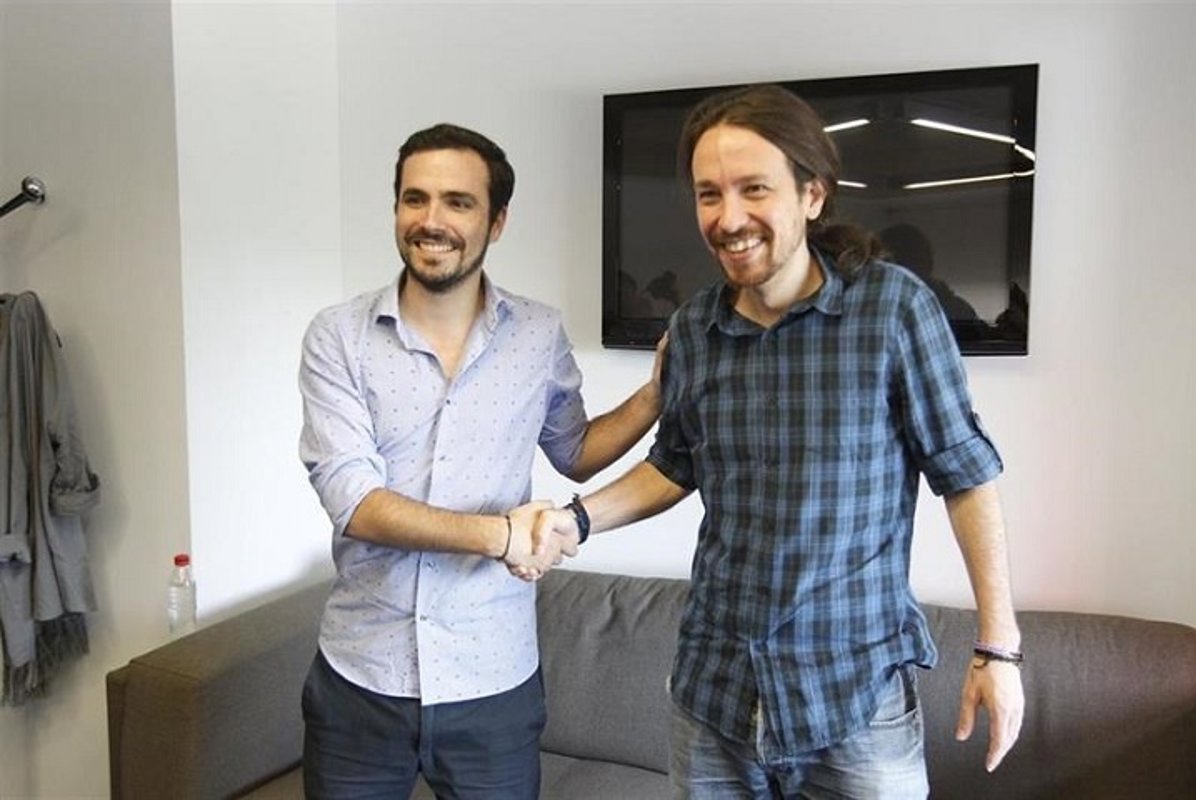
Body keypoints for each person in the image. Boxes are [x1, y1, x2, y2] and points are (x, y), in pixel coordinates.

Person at [531, 85, 1025, 798]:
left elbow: (966, 476)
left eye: (753, 189)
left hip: (854, 703)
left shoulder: (893, 310)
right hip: (715, 696)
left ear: (812, 195)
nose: (728, 218)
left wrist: (997, 650)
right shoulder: (695, 328)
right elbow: (675, 466)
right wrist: (576, 521)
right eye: (709, 194)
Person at [297, 122, 663, 799]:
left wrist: (653, 396)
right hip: (360, 682)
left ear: (496, 221)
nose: (431, 221)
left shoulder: (538, 333)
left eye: (458, 202)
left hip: (493, 683)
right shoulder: (338, 336)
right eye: (415, 199)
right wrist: (502, 536)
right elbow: (355, 501)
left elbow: (576, 452)